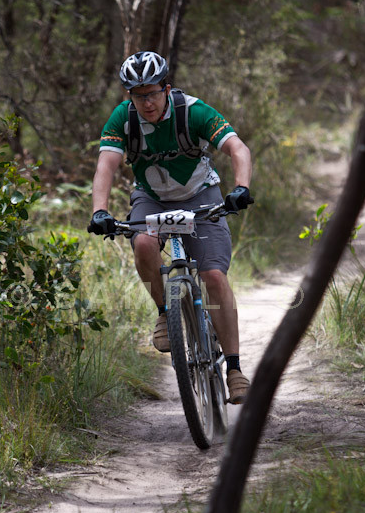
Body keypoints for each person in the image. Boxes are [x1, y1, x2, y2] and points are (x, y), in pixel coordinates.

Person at [88, 51, 253, 404]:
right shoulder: (123, 119)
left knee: (213, 277)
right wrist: (100, 210)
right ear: (128, 95)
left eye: (152, 93)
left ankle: (235, 369)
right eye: (138, 95)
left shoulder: (193, 111)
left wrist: (241, 187)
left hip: (200, 195)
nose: (146, 102)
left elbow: (238, 148)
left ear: (166, 87)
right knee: (144, 244)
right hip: (152, 197)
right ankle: (164, 313)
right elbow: (106, 166)